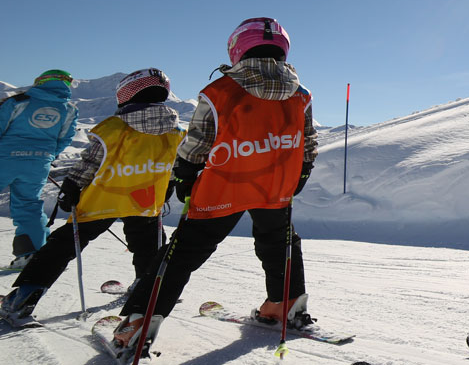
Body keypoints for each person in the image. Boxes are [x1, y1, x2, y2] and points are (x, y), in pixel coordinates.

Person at [112, 17, 318, 353]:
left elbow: (198, 143)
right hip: (275, 185)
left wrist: (185, 174)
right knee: (280, 241)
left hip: (224, 185)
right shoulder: (301, 94)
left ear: (238, 48)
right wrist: (303, 171)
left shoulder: (219, 92)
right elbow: (307, 140)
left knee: (184, 251)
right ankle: (287, 306)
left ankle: (138, 323)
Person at [1, 68, 183, 320]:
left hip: (102, 201)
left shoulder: (113, 128)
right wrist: (170, 186)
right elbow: (174, 165)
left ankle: (24, 297)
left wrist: (72, 186)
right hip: (145, 201)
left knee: (63, 245)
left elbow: (90, 163)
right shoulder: (176, 131)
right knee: (150, 244)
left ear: (127, 93)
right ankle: (146, 288)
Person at [0, 70, 78, 269]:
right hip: (38, 163)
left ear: (40, 81)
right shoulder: (68, 109)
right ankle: (31, 254)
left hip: (5, 158)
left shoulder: (19, 101)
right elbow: (65, 138)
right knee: (28, 206)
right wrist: (47, 155)